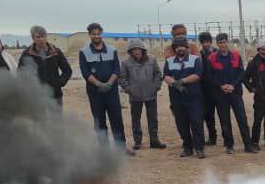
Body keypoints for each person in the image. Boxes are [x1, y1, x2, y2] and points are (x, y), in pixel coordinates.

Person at [79, 23, 131, 155]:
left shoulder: (112, 50)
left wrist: (109, 83)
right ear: (89, 35)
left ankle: (121, 148)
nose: (96, 36)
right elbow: (85, 73)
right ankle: (105, 151)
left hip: (111, 91)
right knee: (99, 121)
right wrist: (98, 84)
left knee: (117, 120)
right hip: (95, 92)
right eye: (93, 34)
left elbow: (116, 69)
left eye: (98, 33)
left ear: (102, 33)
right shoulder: (83, 52)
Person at [208, 33, 256, 154]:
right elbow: (210, 76)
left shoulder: (236, 56)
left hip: (235, 93)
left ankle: (248, 145)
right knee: (225, 120)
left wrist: (233, 85)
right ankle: (229, 145)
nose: (222, 44)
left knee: (242, 119)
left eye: (224, 42)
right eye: (220, 42)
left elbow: (241, 73)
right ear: (217, 44)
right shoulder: (212, 58)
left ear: (227, 42)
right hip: (220, 95)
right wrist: (221, 86)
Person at [120, 39, 166, 151]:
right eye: (133, 49)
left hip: (151, 94)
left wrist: (156, 86)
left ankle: (154, 141)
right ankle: (137, 142)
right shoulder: (126, 63)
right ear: (130, 51)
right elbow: (122, 78)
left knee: (153, 119)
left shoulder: (152, 59)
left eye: (138, 49)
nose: (136, 51)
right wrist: (128, 89)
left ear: (142, 49)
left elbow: (158, 74)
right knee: (136, 119)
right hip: (135, 96)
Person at [164, 38, 206, 158]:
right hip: (177, 98)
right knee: (181, 123)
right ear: (174, 49)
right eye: (177, 47)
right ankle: (187, 147)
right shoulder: (170, 61)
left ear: (187, 48)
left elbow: (197, 75)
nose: (180, 48)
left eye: (182, 46)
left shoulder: (195, 59)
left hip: (193, 97)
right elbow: (166, 76)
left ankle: (199, 148)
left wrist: (182, 81)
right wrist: (175, 85)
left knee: (196, 122)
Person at [19, 25, 72, 106]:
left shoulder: (55, 52)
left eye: (43, 36)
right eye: (38, 37)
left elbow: (67, 70)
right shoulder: (27, 54)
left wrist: (59, 83)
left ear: (46, 37)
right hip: (36, 97)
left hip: (55, 95)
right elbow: (20, 74)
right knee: (39, 118)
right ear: (33, 38)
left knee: (56, 118)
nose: (41, 39)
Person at [197, 31, 219, 146]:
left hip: (218, 88)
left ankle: (227, 138)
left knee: (222, 114)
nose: (205, 44)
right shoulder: (199, 54)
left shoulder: (218, 52)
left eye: (207, 42)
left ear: (211, 42)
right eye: (203, 42)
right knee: (208, 115)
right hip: (205, 90)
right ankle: (212, 137)